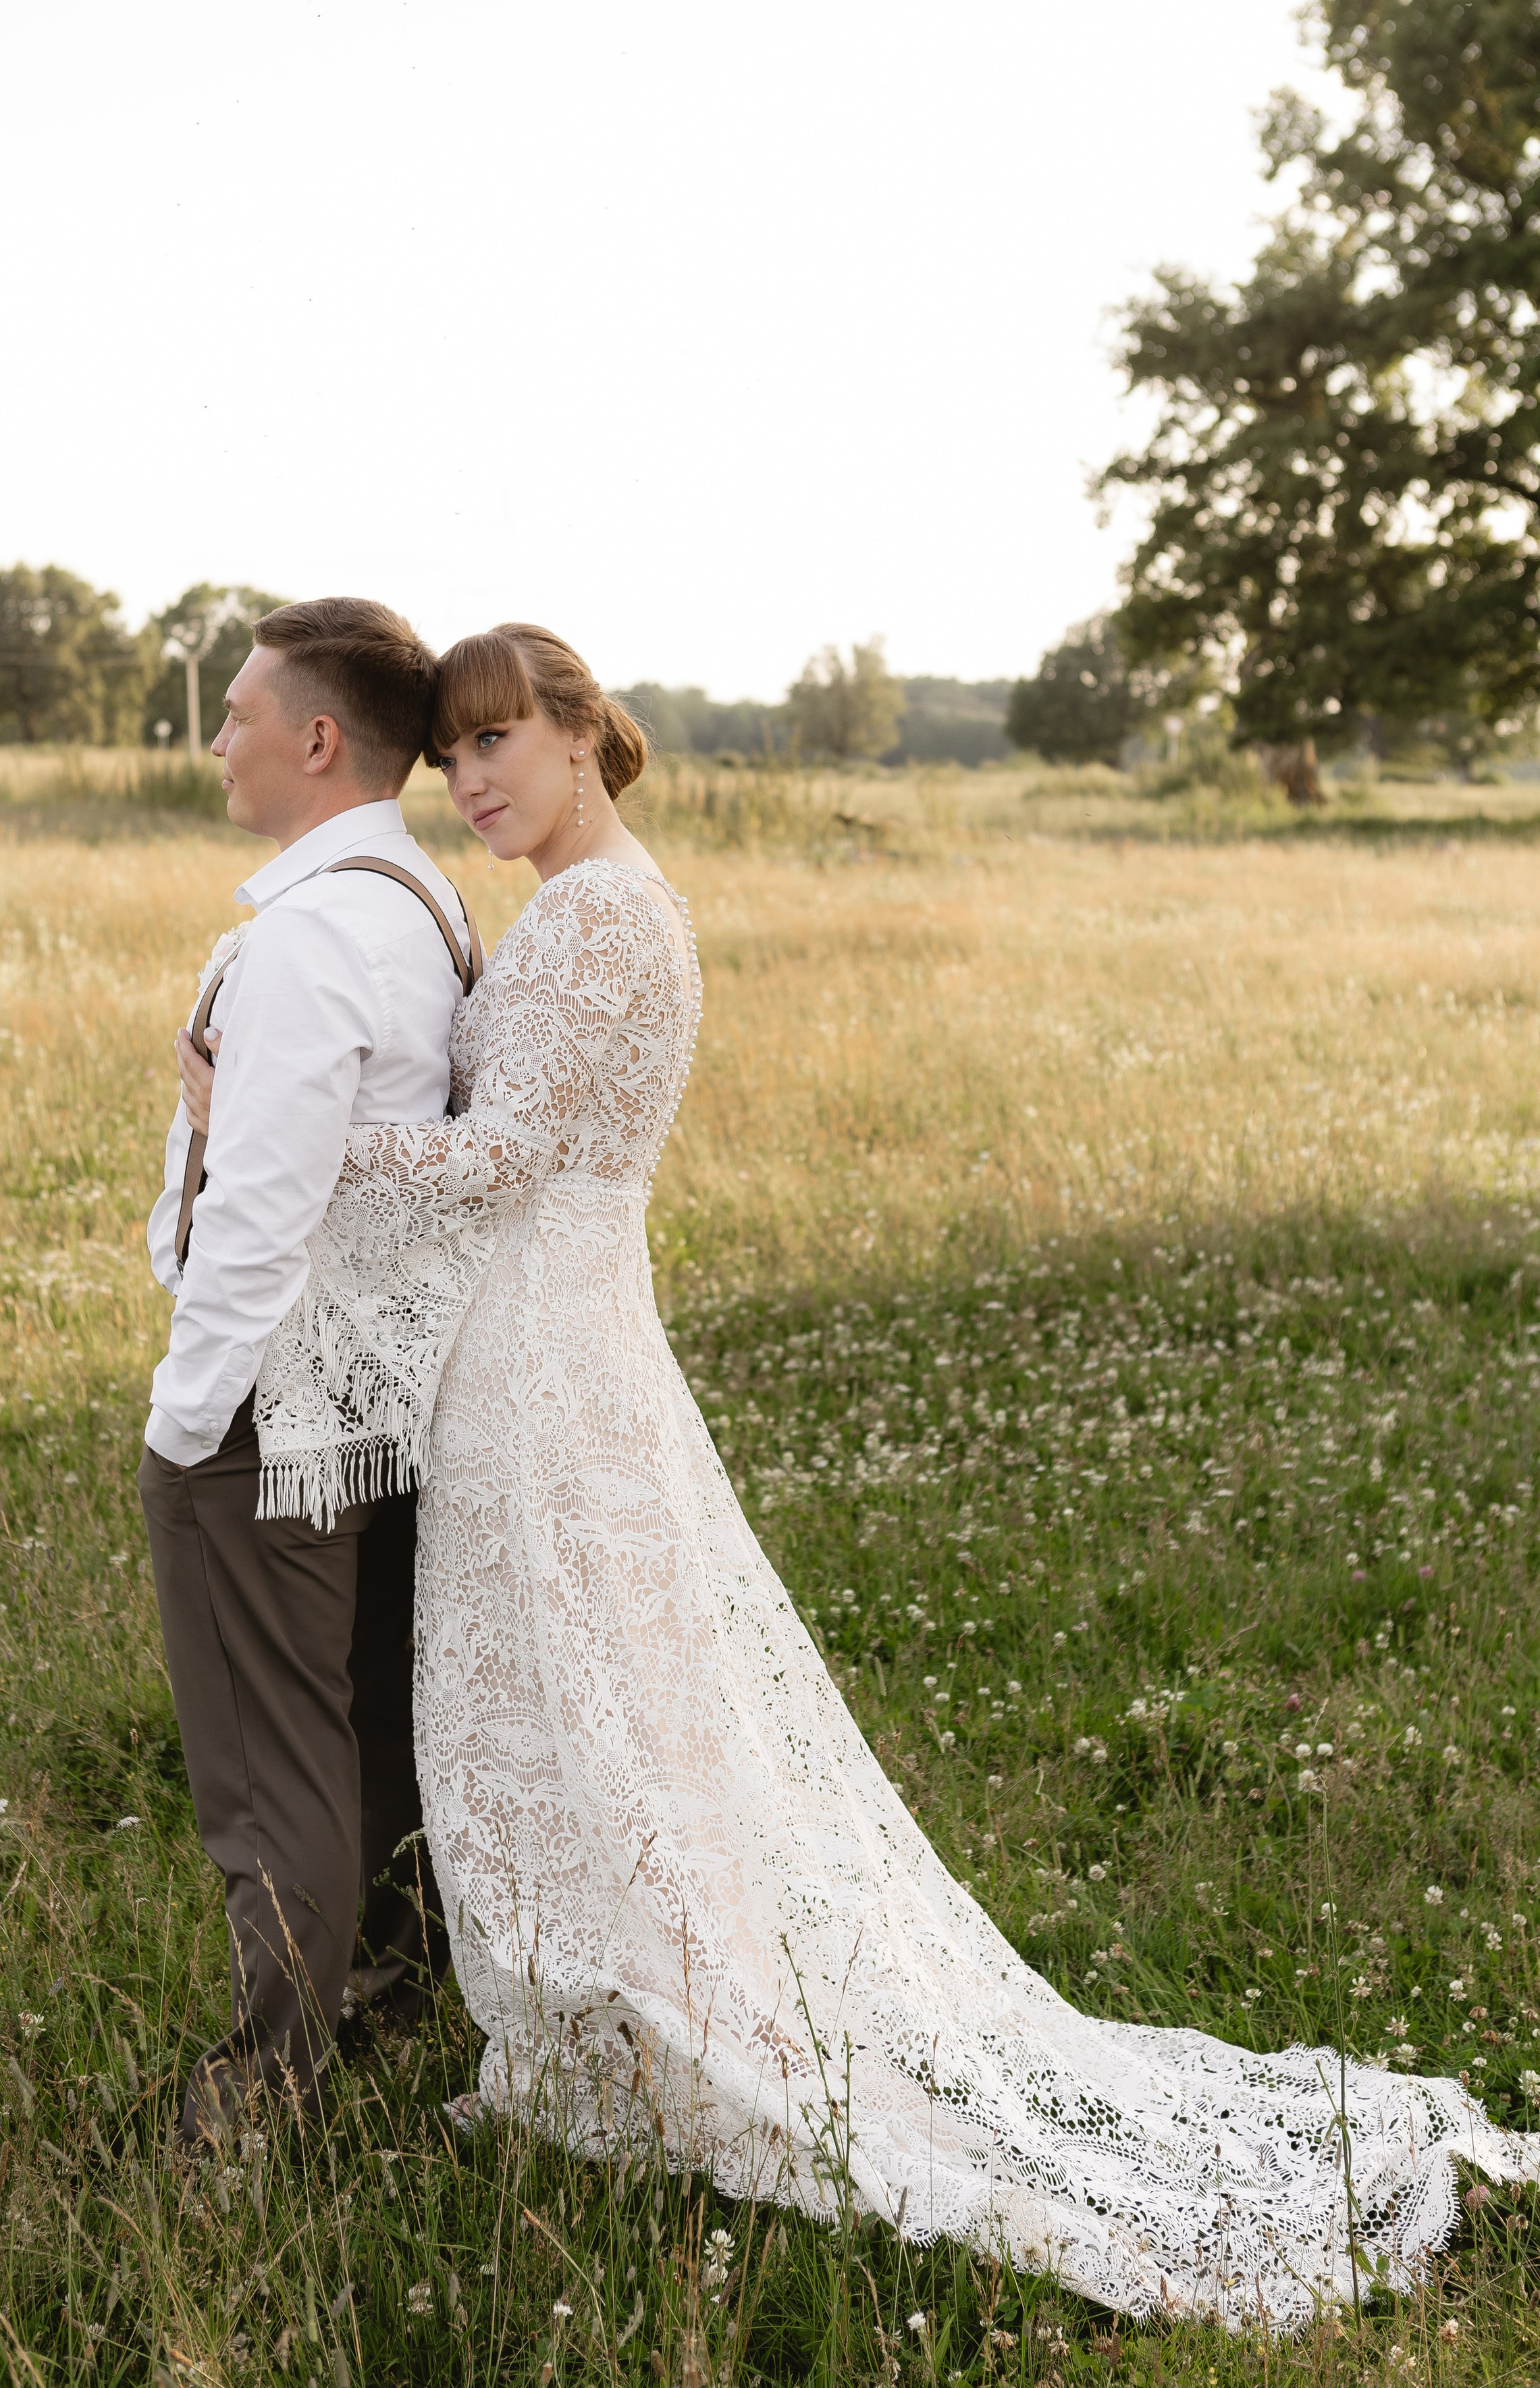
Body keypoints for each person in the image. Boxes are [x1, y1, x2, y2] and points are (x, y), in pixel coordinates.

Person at [178, 622, 1540, 2329]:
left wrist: (274, 1130)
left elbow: (506, 1159)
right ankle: (612, 2007)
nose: (469, 781)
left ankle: (679, 2027)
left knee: (594, 1696)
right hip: (541, 1351)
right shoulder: (586, 904)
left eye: (497, 742)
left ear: (583, 734)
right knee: (589, 1698)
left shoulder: (602, 918)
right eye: (451, 755)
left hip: (545, 1357)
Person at [140, 594, 475, 2144]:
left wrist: (184, 1416)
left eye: (236, 713)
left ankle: (269, 2086)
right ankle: (391, 1992)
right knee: (361, 1732)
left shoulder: (314, 937)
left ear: (318, 739)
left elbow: (262, 1214)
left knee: (270, 1770)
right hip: (379, 1392)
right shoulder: (419, 906)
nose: (217, 741)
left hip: (270, 1404)